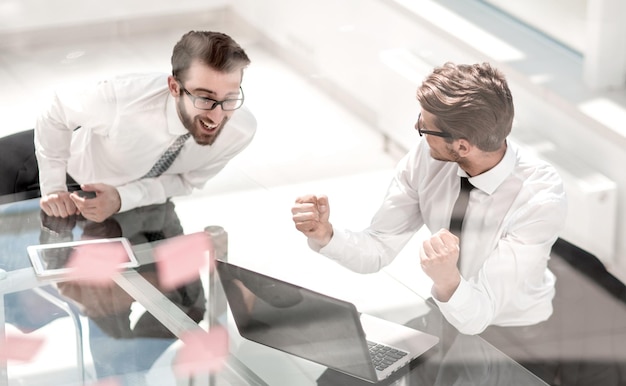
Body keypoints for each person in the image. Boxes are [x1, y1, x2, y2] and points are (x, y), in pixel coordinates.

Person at [291, 62, 567, 336]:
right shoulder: (428, 156)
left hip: (511, 335)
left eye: (425, 126)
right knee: (342, 378)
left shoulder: (539, 199)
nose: (418, 128)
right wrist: (325, 234)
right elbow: (377, 249)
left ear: (462, 146)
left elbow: (479, 315)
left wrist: (446, 278)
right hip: (446, 310)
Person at [30, 30, 255, 222]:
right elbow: (56, 110)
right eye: (204, 99)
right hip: (77, 188)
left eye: (230, 99)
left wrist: (122, 198)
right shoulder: (122, 100)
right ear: (174, 87)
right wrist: (53, 189)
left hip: (149, 200)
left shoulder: (240, 131)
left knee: (183, 272)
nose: (217, 117)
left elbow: (186, 182)